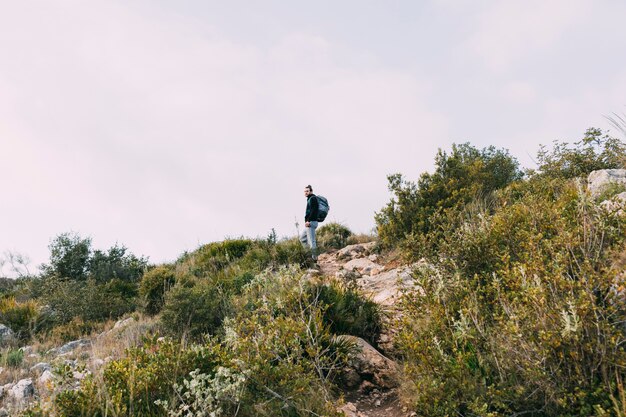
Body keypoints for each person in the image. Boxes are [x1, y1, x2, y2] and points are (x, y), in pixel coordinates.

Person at [300, 185, 319, 262]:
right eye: (305, 191)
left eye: (307, 191)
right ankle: (309, 254)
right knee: (302, 238)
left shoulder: (313, 198)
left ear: (311, 191)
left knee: (312, 241)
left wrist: (308, 221)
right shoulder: (310, 199)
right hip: (310, 223)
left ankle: (314, 259)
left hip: (311, 222)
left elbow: (313, 211)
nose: (306, 192)